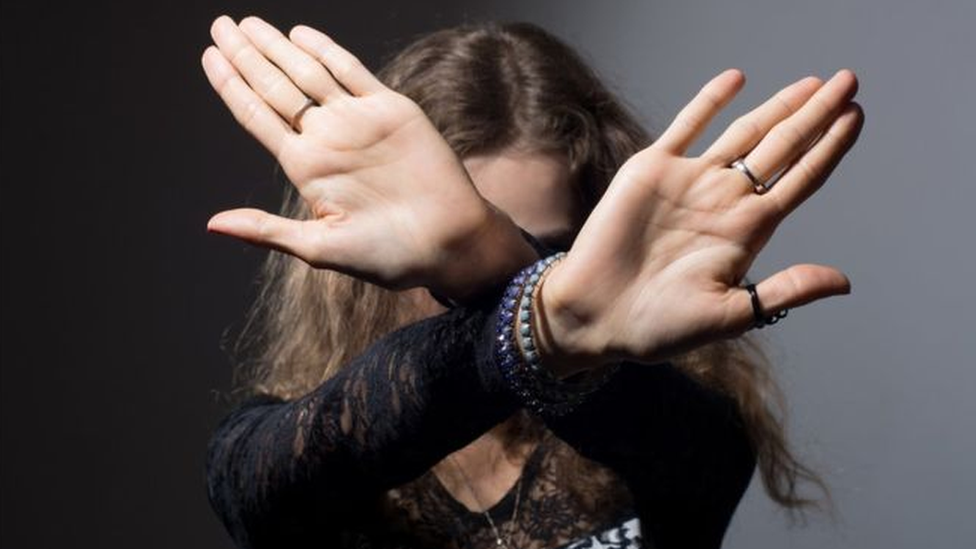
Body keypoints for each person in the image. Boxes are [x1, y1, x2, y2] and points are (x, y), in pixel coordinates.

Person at [200, 14, 862, 549]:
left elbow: (699, 454)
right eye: (438, 264)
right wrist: (530, 302)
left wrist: (500, 272)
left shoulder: (675, 426)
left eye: (550, 249)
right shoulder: (284, 448)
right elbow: (266, 489)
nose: (463, 295)